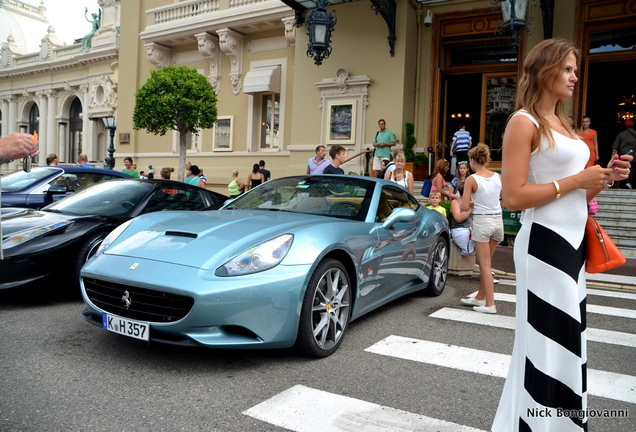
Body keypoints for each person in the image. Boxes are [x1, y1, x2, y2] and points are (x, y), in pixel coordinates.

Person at [492, 39, 631, 431]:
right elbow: (514, 196)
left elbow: (577, 192)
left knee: (568, 338)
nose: (574, 77)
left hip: (573, 245)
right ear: (545, 70)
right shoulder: (524, 122)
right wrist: (576, 179)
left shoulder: (564, 124)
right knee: (547, 341)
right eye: (568, 69)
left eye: (575, 69)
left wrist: (604, 178)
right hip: (543, 245)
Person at [460, 143, 502, 315]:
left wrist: (472, 203)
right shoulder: (498, 177)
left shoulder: (472, 179)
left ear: (472, 160)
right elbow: (504, 199)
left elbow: (463, 206)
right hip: (498, 221)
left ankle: (490, 303)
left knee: (484, 265)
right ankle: (480, 296)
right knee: (487, 263)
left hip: (482, 221)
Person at [450, 181, 474, 256]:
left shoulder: (472, 201)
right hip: (459, 229)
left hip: (472, 228)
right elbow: (458, 218)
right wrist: (470, 210)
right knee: (468, 251)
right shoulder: (455, 202)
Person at [610, 119, 636, 189]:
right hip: (634, 156)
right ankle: (629, 183)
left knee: (621, 169)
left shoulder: (620, 134)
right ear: (633, 125)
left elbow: (615, 148)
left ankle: (622, 184)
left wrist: (613, 157)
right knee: (632, 169)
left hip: (623, 155)